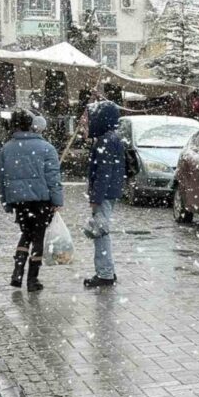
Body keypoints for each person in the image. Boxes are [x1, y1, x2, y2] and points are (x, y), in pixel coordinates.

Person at [0, 110, 64, 292]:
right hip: (41, 200)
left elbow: (1, 178)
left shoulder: (7, 148)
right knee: (38, 237)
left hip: (19, 201)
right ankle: (32, 279)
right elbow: (53, 177)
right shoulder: (46, 148)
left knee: (26, 233)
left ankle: (17, 272)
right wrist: (57, 200)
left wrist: (6, 200)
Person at [84, 101, 125, 288]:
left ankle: (105, 273)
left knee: (100, 232)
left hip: (105, 194)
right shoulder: (111, 138)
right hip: (109, 192)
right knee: (101, 231)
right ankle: (106, 271)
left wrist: (96, 197)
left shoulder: (106, 141)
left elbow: (104, 172)